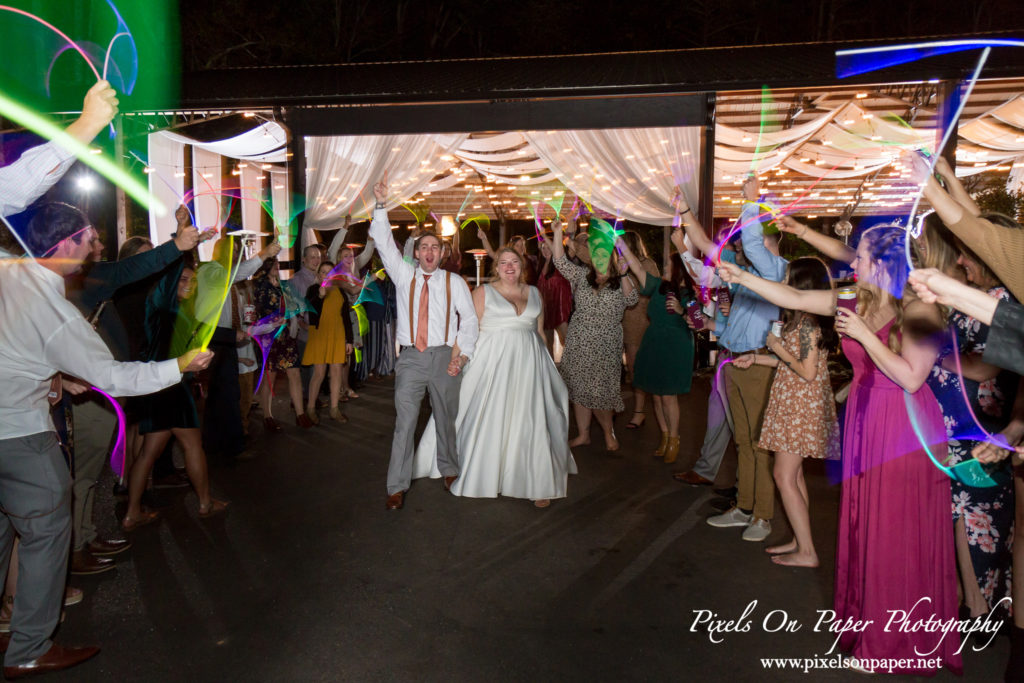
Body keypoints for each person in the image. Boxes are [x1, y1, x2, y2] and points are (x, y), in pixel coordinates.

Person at [719, 225, 961, 674]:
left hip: (904, 426)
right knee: (868, 526)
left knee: (894, 530)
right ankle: (870, 627)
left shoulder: (921, 309)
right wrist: (742, 277)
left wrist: (866, 336)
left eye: (863, 257)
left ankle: (896, 644)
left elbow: (911, 378)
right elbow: (793, 298)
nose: (853, 263)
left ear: (888, 264)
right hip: (867, 419)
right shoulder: (857, 299)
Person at [0, 201, 211, 678]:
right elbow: (113, 378)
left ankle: (6, 628)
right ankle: (30, 646)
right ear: (65, 243)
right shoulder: (54, 309)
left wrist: (55, 373)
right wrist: (180, 366)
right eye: (89, 239)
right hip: (18, 433)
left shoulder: (5, 269)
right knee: (46, 531)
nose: (94, 250)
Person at [63, 204, 206, 575]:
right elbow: (131, 269)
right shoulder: (86, 278)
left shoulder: (94, 280)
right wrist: (176, 244)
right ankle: (76, 548)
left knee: (93, 471)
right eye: (90, 240)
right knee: (83, 473)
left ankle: (87, 534)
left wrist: (178, 243)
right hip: (95, 386)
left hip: (116, 382)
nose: (96, 246)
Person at [412, 247, 576, 506]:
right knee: (488, 415)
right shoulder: (482, 293)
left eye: (515, 262)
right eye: (503, 263)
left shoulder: (534, 293)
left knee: (531, 418)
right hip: (491, 364)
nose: (509, 267)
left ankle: (536, 481)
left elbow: (541, 333)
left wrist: (549, 367)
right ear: (495, 267)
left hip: (529, 366)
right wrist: (457, 359)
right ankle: (481, 470)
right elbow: (467, 331)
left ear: (522, 266)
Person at [369, 175, 478, 510]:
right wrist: (381, 206)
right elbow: (385, 243)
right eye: (424, 247)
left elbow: (470, 321)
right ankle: (396, 486)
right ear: (416, 253)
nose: (430, 252)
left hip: (445, 356)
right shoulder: (404, 276)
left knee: (446, 417)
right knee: (404, 422)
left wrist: (462, 357)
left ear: (442, 253)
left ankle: (449, 469)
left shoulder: (454, 281)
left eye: (435, 247)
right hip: (412, 360)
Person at [731, 258, 840, 568]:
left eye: (789, 277)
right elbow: (795, 364)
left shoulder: (807, 322)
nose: (785, 280)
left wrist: (775, 346)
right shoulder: (803, 319)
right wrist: (757, 358)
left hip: (799, 404)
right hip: (796, 400)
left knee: (782, 475)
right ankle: (799, 538)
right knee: (795, 475)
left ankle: (807, 551)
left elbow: (806, 371)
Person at [698, 178, 787, 543]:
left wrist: (751, 203)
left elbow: (749, 240)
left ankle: (762, 516)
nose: (743, 248)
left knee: (759, 443)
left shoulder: (775, 268)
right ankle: (745, 507)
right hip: (736, 362)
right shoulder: (752, 275)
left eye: (752, 244)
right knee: (744, 443)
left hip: (758, 363)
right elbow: (711, 252)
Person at [124, 262, 230, 530]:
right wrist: (180, 244)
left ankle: (132, 512)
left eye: (192, 281)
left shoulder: (179, 310)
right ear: (168, 282)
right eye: (182, 280)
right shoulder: (162, 306)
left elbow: (200, 334)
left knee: (148, 452)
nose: (189, 285)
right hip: (170, 387)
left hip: (159, 388)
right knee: (192, 446)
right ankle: (205, 504)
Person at [551, 218, 638, 452]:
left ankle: (609, 432)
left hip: (606, 342)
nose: (598, 254)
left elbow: (632, 300)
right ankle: (583, 435)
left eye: (602, 251)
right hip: (580, 338)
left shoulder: (621, 278)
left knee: (601, 390)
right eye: (595, 250)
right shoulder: (582, 275)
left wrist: (623, 275)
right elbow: (559, 261)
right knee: (579, 388)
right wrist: (559, 234)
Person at [196, 233, 281, 459]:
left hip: (226, 339)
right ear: (219, 251)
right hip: (212, 338)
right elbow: (238, 272)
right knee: (224, 394)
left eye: (237, 251)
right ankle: (230, 447)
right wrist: (264, 254)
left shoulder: (229, 281)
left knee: (225, 394)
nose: (236, 255)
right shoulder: (211, 271)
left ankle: (221, 445)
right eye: (232, 251)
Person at [618, 238, 694, 464]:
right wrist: (620, 242)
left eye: (669, 266)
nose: (665, 269)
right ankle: (663, 435)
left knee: (668, 395)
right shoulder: (658, 287)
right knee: (656, 394)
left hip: (676, 346)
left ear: (679, 270)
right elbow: (637, 267)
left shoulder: (690, 294)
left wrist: (681, 311)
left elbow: (699, 324)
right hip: (653, 342)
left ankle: (674, 438)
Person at [910, 269, 1024, 378]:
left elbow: (982, 371)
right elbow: (1009, 319)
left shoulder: (1003, 295)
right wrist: (951, 292)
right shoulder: (984, 291)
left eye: (966, 255)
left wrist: (934, 353)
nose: (959, 260)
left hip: (972, 395)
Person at [253, 259, 312, 430]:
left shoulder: (283, 285)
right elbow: (256, 312)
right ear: (265, 267)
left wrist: (294, 314)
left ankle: (300, 414)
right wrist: (271, 321)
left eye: (277, 265)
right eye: (273, 264)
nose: (276, 267)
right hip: (269, 335)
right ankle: (267, 416)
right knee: (269, 377)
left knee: (294, 372)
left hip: (286, 334)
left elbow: (292, 305)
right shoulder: (260, 287)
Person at [619, 231, 661, 430]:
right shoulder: (618, 263)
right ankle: (637, 409)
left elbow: (656, 291)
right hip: (625, 319)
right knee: (631, 367)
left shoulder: (647, 264)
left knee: (638, 367)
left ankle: (639, 411)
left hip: (642, 319)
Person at [303, 261, 354, 423]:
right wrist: (320, 296)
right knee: (319, 373)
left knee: (337, 372)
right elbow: (311, 311)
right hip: (319, 336)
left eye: (329, 272)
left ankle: (334, 409)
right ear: (319, 275)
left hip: (337, 335)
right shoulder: (313, 290)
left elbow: (346, 318)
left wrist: (349, 340)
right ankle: (310, 408)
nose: (326, 275)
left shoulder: (340, 292)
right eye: (323, 272)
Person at [536, 237, 572, 358]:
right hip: (546, 310)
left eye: (548, 247)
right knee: (547, 345)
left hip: (561, 310)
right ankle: (550, 373)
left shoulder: (561, 263)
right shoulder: (540, 265)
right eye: (543, 248)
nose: (545, 250)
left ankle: (576, 371)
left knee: (568, 342)